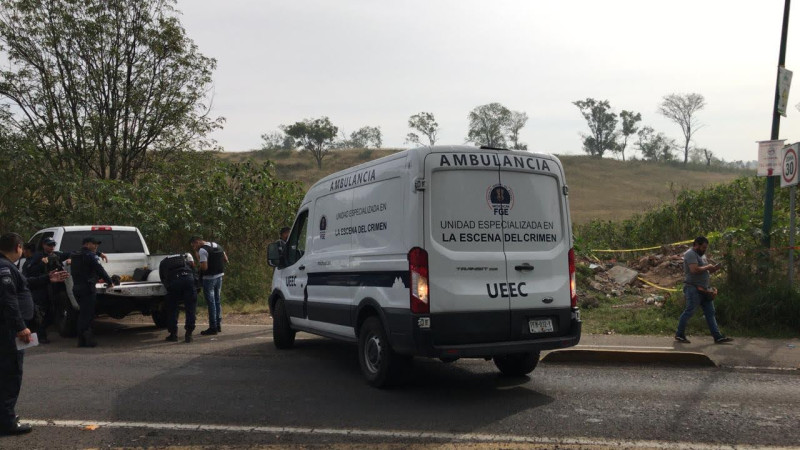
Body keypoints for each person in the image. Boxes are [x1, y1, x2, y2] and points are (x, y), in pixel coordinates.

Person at [0, 233, 64, 435]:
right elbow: (8, 300)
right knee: (11, 374)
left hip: (7, 327)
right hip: (8, 330)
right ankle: (7, 422)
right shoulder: (4, 268)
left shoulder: (7, 266)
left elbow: (23, 284)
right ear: (18, 247)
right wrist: (20, 327)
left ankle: (5, 416)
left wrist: (47, 278)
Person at [675, 236, 733, 344]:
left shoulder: (702, 255)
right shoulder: (690, 254)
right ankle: (679, 334)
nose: (704, 249)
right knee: (689, 311)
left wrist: (713, 269)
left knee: (710, 312)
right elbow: (694, 270)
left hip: (704, 289)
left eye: (706, 247)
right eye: (703, 247)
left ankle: (717, 336)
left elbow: (704, 270)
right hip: (693, 288)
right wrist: (708, 267)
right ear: (696, 245)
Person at [70, 236, 117, 348]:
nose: (96, 246)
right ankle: (87, 340)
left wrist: (99, 253)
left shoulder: (75, 254)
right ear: (86, 244)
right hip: (87, 288)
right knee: (88, 315)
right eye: (94, 244)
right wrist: (109, 281)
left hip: (76, 288)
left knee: (82, 314)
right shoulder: (90, 256)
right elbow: (99, 269)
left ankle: (81, 341)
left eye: (97, 244)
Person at [21, 237, 69, 344]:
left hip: (52, 290)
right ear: (44, 245)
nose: (51, 247)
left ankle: (38, 333)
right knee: (41, 315)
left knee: (52, 314)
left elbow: (72, 253)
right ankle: (40, 336)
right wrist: (42, 264)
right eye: (49, 245)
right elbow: (29, 271)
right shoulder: (38, 256)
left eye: (53, 245)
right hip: (40, 289)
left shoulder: (55, 255)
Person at [190, 236, 228, 336]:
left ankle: (213, 327)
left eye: (194, 245)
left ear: (197, 242)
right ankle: (218, 324)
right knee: (217, 300)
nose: (194, 248)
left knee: (211, 303)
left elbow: (204, 267)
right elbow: (225, 259)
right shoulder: (217, 245)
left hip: (209, 278)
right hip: (219, 276)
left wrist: (198, 260)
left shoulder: (202, 250)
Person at [158, 254, 197, 343]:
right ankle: (189, 334)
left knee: (172, 309)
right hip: (189, 280)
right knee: (190, 309)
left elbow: (163, 278)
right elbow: (194, 272)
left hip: (174, 282)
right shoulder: (184, 259)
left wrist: (169, 288)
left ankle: (173, 334)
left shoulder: (163, 263)